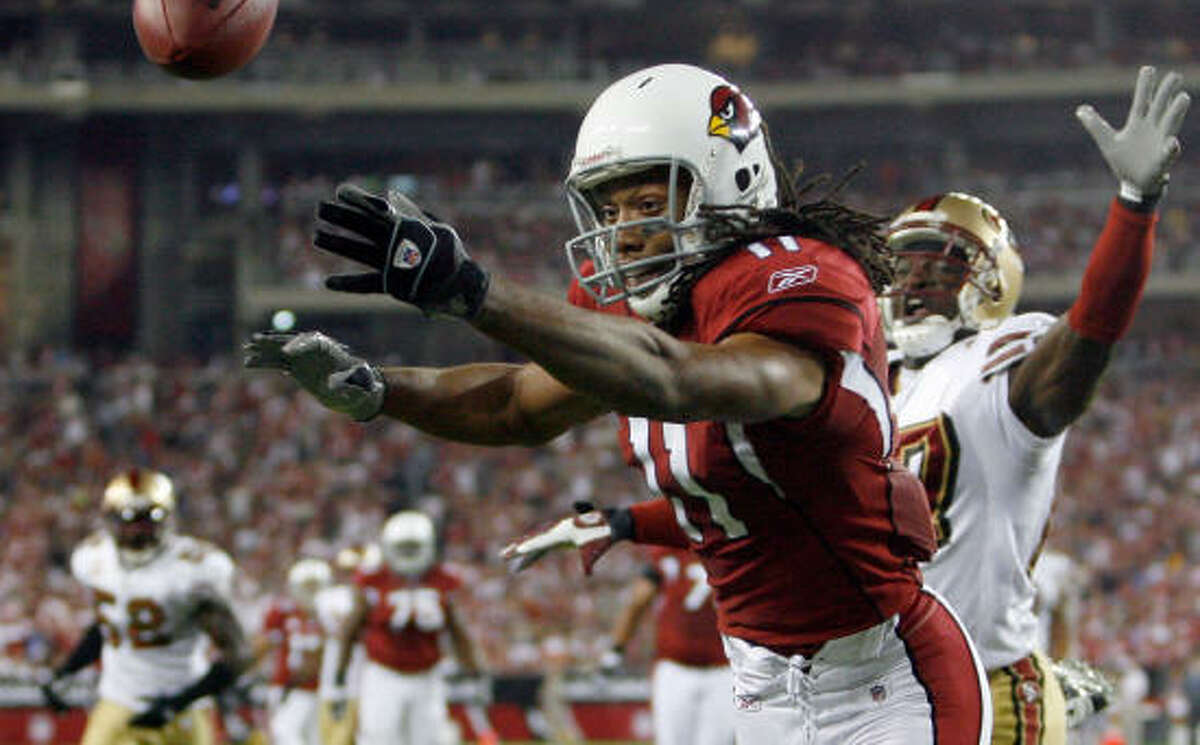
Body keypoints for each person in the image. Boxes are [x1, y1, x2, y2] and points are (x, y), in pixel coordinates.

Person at [247, 63, 992, 744]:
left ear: (727, 180)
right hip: (761, 688)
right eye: (608, 212)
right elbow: (515, 402)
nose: (624, 234)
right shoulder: (632, 310)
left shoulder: (802, 281)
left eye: (646, 201)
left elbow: (674, 378)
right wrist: (378, 390)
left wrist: (472, 292)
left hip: (887, 680)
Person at [879, 65, 1188, 745]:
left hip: (985, 685)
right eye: (904, 263)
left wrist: (1133, 204)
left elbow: (1092, 331)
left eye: (944, 260)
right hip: (880, 690)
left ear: (989, 281)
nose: (917, 275)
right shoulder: (869, 386)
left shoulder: (999, 359)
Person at [41, 468, 249, 745]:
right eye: (126, 520)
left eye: (146, 519)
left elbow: (238, 654)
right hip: (118, 703)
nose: (136, 530)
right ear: (109, 520)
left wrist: (177, 703)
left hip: (183, 711)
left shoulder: (192, 569)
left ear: (168, 518)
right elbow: (110, 624)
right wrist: (65, 672)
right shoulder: (95, 559)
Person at [328, 511, 481, 745]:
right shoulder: (372, 579)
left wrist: (473, 671)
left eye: (413, 547)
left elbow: (457, 631)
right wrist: (339, 679)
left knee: (429, 739)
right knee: (380, 737)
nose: (408, 554)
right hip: (384, 675)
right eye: (403, 548)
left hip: (427, 675)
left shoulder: (442, 579)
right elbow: (349, 632)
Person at [600, 546, 735, 745]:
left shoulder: (668, 551)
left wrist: (616, 649)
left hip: (677, 667)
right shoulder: (731, 548)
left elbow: (639, 599)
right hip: (723, 669)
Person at [258, 558, 332, 745]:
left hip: (319, 688)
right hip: (288, 686)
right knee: (283, 733)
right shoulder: (283, 611)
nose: (311, 591)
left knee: (311, 738)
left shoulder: (331, 611)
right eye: (307, 586)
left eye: (315, 586)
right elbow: (262, 643)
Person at [314, 548, 365, 745]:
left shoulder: (363, 594)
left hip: (360, 668)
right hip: (336, 668)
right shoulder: (329, 596)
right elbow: (337, 630)